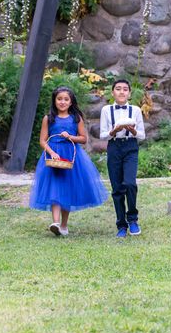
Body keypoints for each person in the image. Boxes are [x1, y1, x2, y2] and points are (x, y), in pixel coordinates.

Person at [29, 86, 108, 236]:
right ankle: (55, 222)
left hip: (72, 156)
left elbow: (83, 139)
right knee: (54, 187)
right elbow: (42, 140)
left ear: (71, 102)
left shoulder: (76, 118)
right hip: (53, 156)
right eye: (59, 99)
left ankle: (64, 225)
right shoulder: (49, 118)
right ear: (54, 101)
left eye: (66, 99)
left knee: (68, 189)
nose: (62, 102)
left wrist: (70, 137)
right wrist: (52, 153)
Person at [99, 79, 146, 238]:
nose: (121, 92)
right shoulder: (106, 110)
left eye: (125, 89)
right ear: (112, 93)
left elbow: (142, 135)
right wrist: (115, 130)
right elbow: (103, 135)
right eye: (118, 89)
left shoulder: (136, 110)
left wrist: (132, 130)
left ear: (129, 93)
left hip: (131, 147)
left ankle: (133, 219)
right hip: (114, 148)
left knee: (130, 183)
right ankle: (121, 224)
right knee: (117, 188)